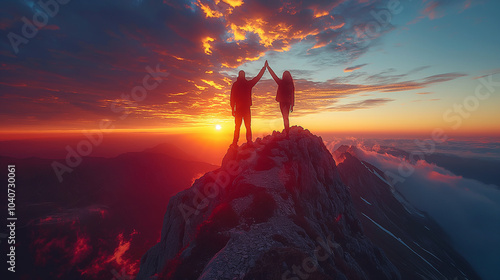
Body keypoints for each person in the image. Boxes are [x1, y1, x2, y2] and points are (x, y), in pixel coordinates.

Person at [230, 61, 267, 146]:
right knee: (245, 126)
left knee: (240, 127)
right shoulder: (247, 84)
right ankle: (244, 142)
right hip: (244, 108)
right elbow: (232, 98)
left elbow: (232, 98)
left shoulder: (237, 84)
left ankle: (237, 142)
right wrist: (263, 69)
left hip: (240, 108)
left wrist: (233, 109)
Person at [266, 62, 295, 133]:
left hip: (285, 103)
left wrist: (292, 106)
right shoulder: (286, 83)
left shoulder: (286, 83)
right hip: (284, 102)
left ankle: (287, 133)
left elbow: (292, 95)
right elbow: (274, 76)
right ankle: (287, 132)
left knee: (285, 118)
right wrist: (268, 68)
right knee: (285, 117)